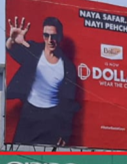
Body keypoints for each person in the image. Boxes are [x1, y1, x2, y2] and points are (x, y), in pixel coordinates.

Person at [6, 16, 79, 146]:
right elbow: (12, 50)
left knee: (47, 161)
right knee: (18, 154)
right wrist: (12, 40)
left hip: (53, 118)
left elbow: (69, 102)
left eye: (54, 36)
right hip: (29, 113)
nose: (50, 40)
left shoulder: (68, 67)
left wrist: (65, 132)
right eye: (46, 35)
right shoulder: (34, 50)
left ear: (60, 37)